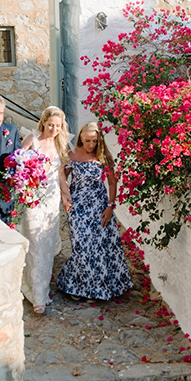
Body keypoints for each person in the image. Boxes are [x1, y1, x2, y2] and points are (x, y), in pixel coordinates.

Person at [57, 121, 132, 302]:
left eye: (94, 141)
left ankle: (95, 289)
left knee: (98, 248)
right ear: (81, 137)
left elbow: (113, 183)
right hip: (78, 208)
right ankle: (76, 284)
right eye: (88, 140)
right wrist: (65, 197)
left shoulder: (103, 156)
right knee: (81, 246)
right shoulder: (71, 155)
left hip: (99, 207)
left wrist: (110, 207)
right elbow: (62, 177)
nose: (91, 145)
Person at [20, 106, 70, 314]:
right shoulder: (32, 139)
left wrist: (66, 196)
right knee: (34, 241)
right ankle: (36, 295)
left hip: (51, 200)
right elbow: (19, 166)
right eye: (51, 125)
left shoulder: (61, 143)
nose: (54, 129)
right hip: (32, 197)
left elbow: (60, 175)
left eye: (58, 126)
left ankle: (41, 290)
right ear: (43, 122)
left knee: (47, 245)